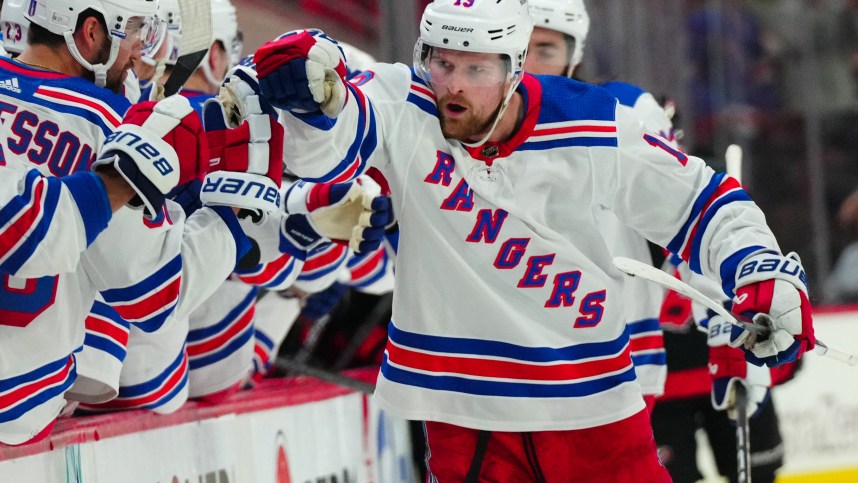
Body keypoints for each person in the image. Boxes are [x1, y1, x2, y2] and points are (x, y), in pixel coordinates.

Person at [250, 1, 816, 480]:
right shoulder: (403, 106)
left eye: (477, 69)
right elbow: (324, 145)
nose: (453, 85)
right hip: (464, 412)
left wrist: (757, 267)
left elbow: (700, 200)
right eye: (442, 63)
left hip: (591, 406)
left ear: (516, 66)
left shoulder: (592, 124)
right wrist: (307, 93)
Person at [0, 0, 281, 444]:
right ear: (89, 33)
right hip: (19, 410)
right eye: (134, 31)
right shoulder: (108, 123)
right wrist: (230, 220)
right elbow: (155, 296)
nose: (139, 52)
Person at [524, 0, 668, 410]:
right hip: (514, 360)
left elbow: (683, 204)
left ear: (576, 54)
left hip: (620, 354)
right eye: (520, 45)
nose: (530, 62)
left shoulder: (622, 110)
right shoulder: (468, 124)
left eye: (546, 49)